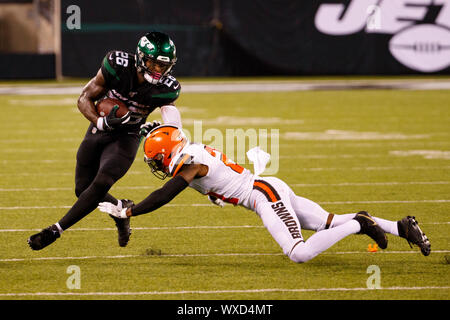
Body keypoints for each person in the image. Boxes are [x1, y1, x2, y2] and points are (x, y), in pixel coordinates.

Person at [98, 125, 431, 263]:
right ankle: (401, 227)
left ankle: (361, 223)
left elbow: (164, 194)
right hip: (265, 186)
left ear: (168, 152)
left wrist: (129, 212)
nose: (157, 164)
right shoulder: (190, 153)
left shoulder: (189, 164)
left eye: (156, 158)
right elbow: (210, 181)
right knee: (327, 223)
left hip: (263, 194)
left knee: (298, 253)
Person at [28, 31, 182, 250]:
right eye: (153, 63)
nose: (158, 71)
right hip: (101, 127)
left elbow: (173, 123)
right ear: (140, 57)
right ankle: (120, 210)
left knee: (102, 182)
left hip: (128, 136)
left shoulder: (167, 88)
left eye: (163, 66)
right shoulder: (117, 65)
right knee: (83, 189)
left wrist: (171, 135)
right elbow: (85, 97)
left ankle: (55, 230)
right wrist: (99, 122)